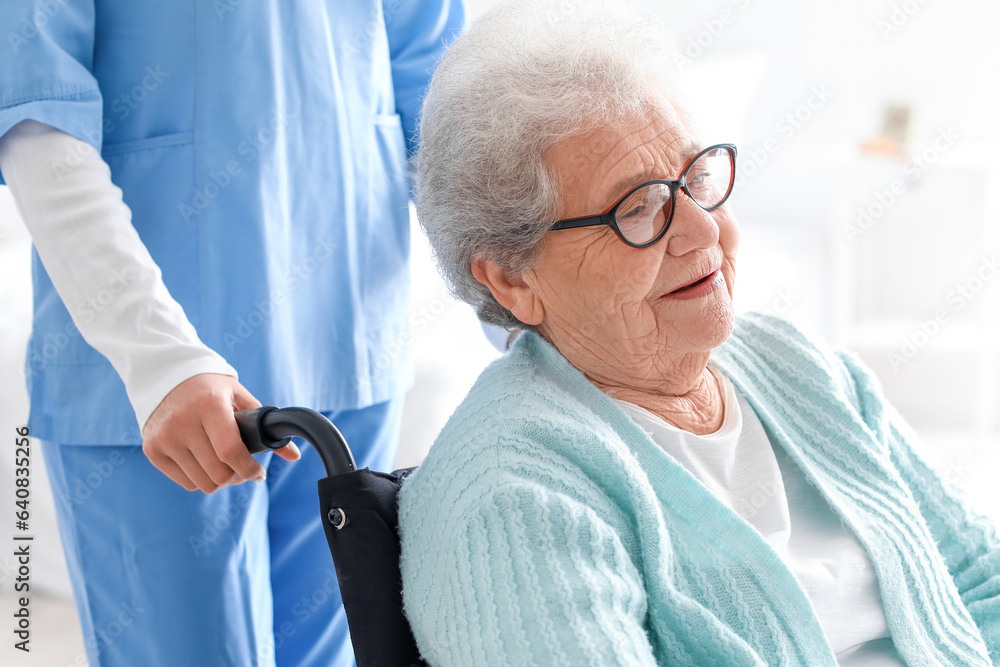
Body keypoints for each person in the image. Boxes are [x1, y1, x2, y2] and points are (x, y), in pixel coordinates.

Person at [398, 2, 1000, 665]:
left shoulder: (801, 366)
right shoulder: (511, 502)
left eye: (698, 179)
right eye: (640, 206)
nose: (705, 231)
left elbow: (980, 581)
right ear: (513, 277)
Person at [0, 1, 463, 665]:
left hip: (348, 340)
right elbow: (36, 118)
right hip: (157, 387)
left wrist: (524, 303)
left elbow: (439, 98)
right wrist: (158, 356)